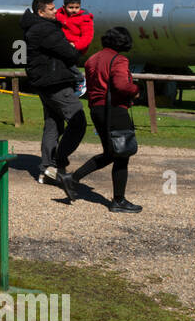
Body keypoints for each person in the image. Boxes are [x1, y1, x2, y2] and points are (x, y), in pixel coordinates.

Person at [60, 26, 142, 213]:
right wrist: (136, 90)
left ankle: (72, 179)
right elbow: (120, 85)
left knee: (111, 153)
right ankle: (118, 200)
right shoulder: (119, 59)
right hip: (115, 110)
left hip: (96, 109)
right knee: (122, 154)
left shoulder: (91, 60)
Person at [20, 0, 85, 187]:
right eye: (51, 9)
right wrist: (73, 49)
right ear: (41, 12)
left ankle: (46, 169)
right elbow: (69, 53)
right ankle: (57, 163)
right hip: (55, 83)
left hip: (45, 83)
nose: (56, 11)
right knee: (78, 121)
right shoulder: (45, 29)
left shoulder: (34, 28)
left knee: (53, 124)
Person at [56, 0, 94, 97]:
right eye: (71, 7)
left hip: (77, 47)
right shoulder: (58, 15)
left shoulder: (84, 18)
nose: (74, 10)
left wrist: (75, 45)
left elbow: (87, 37)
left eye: (77, 7)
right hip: (63, 44)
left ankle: (80, 80)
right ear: (64, 7)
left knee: (65, 59)